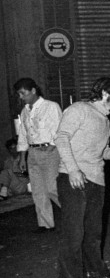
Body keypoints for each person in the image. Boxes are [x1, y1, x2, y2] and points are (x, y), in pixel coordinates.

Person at [53, 77, 110, 278]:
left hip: (96, 181)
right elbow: (61, 138)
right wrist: (73, 170)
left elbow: (103, 152)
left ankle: (96, 274)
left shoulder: (105, 121)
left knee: (93, 233)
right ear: (105, 94)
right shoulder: (79, 109)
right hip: (73, 179)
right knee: (73, 233)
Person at [13, 77, 62, 232]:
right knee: (38, 191)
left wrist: (52, 147)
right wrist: (22, 157)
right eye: (19, 94)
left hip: (49, 152)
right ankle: (46, 224)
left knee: (52, 189)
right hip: (32, 153)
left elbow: (59, 130)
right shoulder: (25, 111)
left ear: (33, 90)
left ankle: (74, 216)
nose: (21, 97)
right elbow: (23, 135)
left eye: (23, 93)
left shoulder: (51, 106)